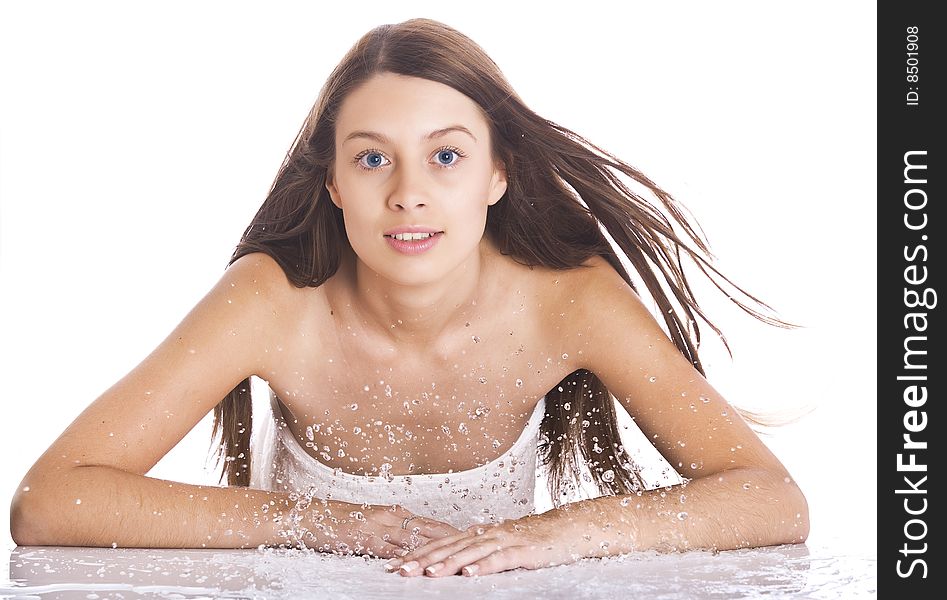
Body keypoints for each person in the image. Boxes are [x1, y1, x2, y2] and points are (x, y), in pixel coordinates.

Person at [10, 18, 808, 577]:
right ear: (331, 181)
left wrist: (555, 535)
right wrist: (331, 526)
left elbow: (770, 499)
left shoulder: (568, 305)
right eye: (371, 160)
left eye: (446, 156)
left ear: (497, 174)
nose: (409, 194)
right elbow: (51, 501)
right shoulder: (272, 301)